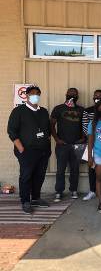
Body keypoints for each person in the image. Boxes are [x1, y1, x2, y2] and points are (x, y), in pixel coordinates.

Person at [7, 86, 51, 214]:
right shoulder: (18, 111)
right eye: (32, 93)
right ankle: (25, 201)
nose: (35, 96)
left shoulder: (43, 111)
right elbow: (11, 131)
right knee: (26, 176)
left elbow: (47, 129)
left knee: (39, 175)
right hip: (27, 151)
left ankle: (36, 198)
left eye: (38, 93)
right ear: (26, 95)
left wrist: (46, 144)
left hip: (43, 150)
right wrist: (21, 148)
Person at [51, 88, 85, 202]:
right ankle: (59, 191)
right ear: (66, 94)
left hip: (77, 145)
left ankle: (73, 190)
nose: (72, 95)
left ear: (77, 96)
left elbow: (86, 126)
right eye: (70, 93)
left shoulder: (81, 110)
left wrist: (83, 138)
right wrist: (57, 139)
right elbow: (51, 125)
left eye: (75, 94)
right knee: (60, 169)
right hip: (62, 145)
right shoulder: (58, 108)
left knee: (75, 169)